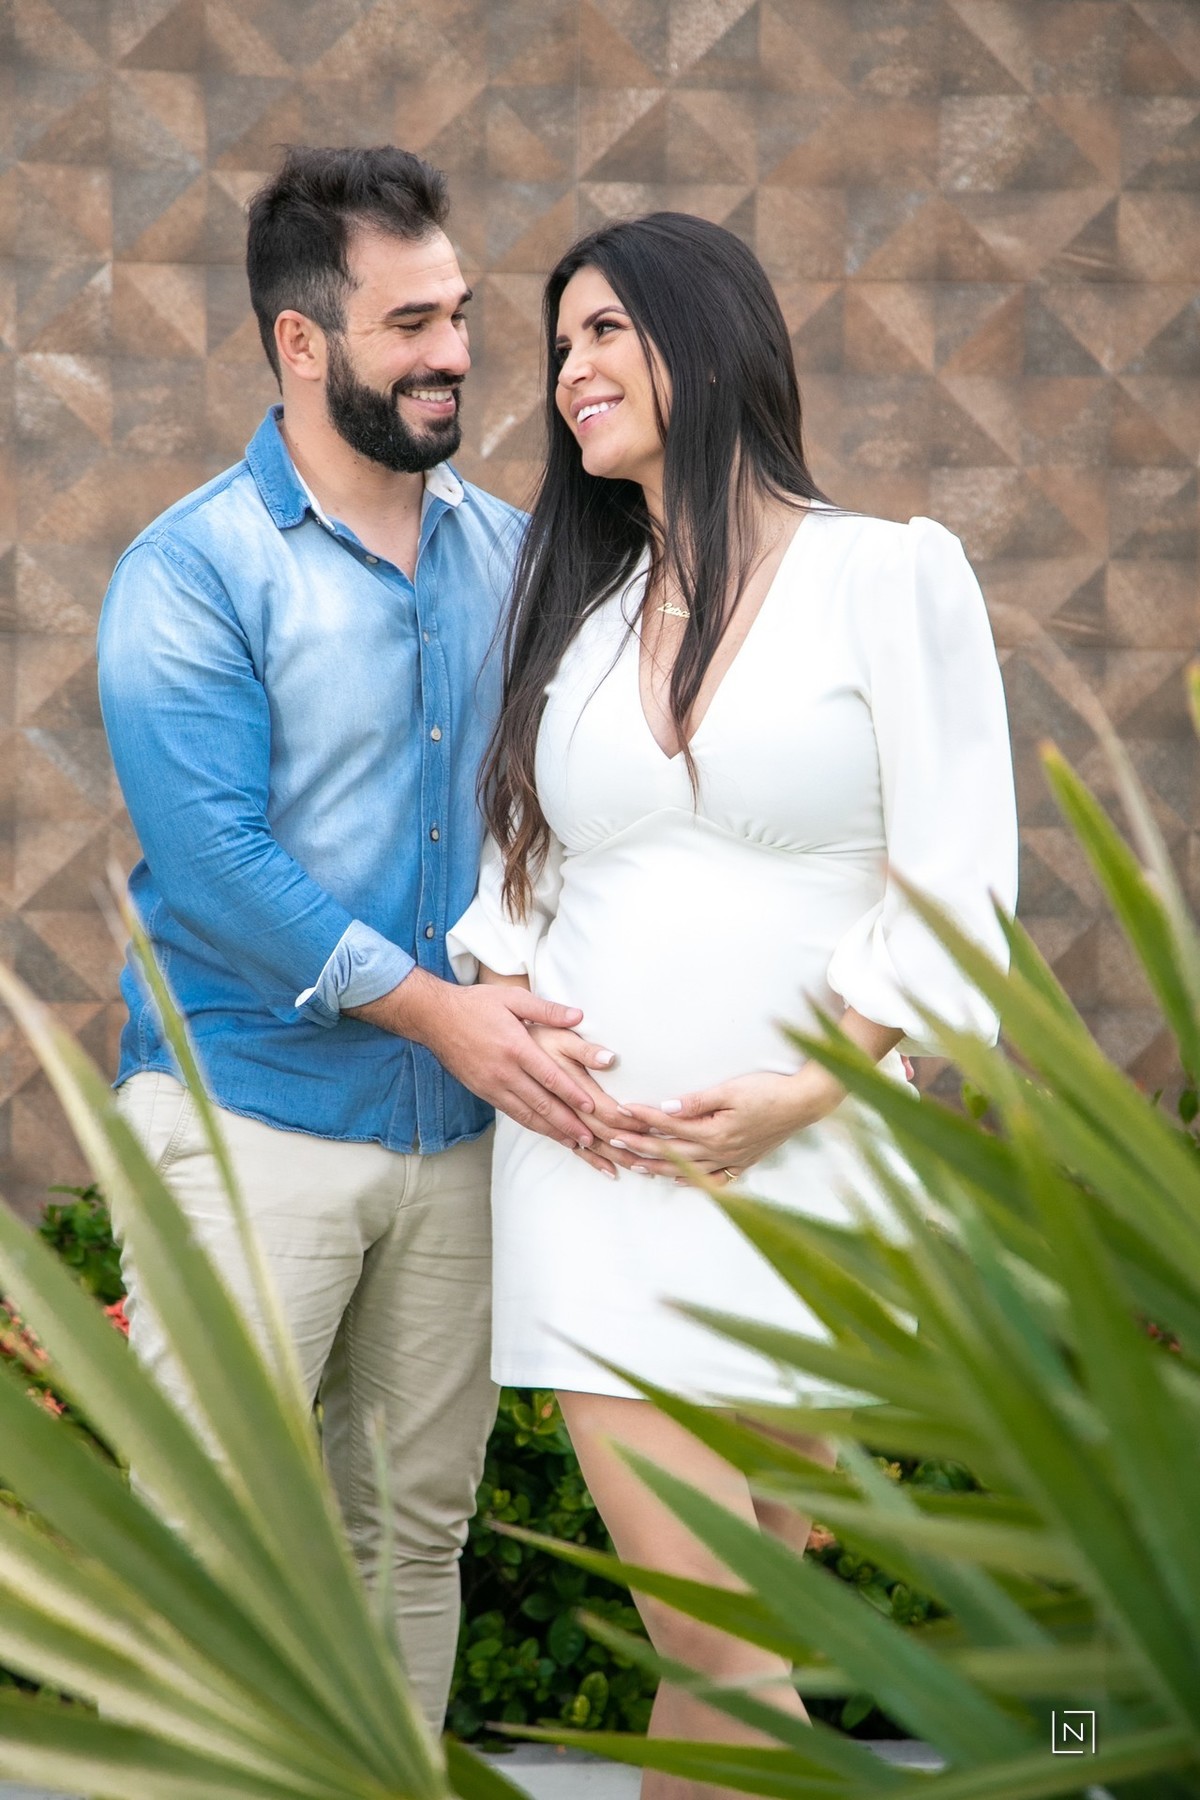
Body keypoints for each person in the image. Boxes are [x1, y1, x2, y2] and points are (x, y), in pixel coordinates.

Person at [447, 213, 1018, 1781]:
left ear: (707, 340)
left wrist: (813, 1090)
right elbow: (517, 882)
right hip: (600, 1174)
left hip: (807, 1173)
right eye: (560, 344)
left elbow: (958, 875)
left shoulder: (886, 575)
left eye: (605, 330)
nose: (569, 368)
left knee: (731, 1650)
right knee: (719, 1635)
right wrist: (517, 1033)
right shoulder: (579, 614)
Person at [96, 145, 607, 1733]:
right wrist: (447, 1015)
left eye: (458, 314)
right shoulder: (192, 571)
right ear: (301, 341)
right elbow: (216, 866)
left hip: (454, 1139)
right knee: (216, 1541)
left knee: (411, 1536)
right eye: (410, 324)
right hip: (249, 1117)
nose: (455, 352)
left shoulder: (518, 557)